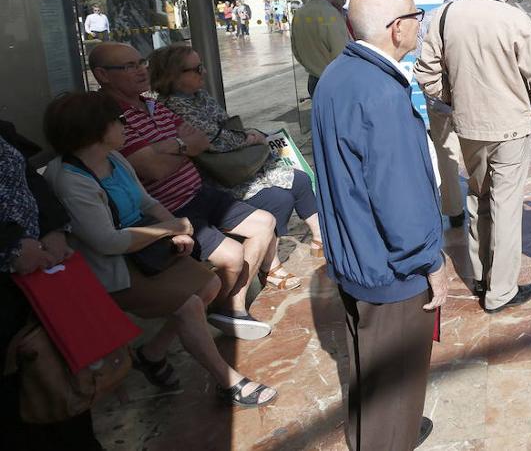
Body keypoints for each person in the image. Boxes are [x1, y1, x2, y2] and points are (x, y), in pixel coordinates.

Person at [41, 93, 277, 408]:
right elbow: (107, 242)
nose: (126, 126)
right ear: (95, 130)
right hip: (113, 269)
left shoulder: (113, 158)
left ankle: (152, 353)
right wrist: (170, 229)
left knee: (209, 284)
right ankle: (228, 381)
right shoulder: (71, 181)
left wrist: (178, 229)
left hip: (144, 249)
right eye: (119, 121)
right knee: (189, 305)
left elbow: (146, 202)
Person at [312, 0, 448, 451]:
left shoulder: (337, 75)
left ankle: (370, 436)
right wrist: (432, 263)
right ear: (396, 28)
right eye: (416, 15)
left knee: (367, 365)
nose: (419, 23)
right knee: (396, 382)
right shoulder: (382, 95)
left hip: (355, 257)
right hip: (389, 269)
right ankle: (388, 438)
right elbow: (401, 200)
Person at [90, 43, 278, 340]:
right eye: (128, 66)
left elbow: (200, 140)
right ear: (102, 75)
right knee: (232, 256)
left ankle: (233, 306)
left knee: (265, 223)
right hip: (168, 207)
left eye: (141, 62)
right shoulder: (109, 116)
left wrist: (167, 149)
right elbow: (152, 170)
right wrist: (181, 146)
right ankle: (181, 333)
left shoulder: (152, 103)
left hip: (199, 192)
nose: (141, 70)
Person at [416, 0, 531, 313]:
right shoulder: (514, 18)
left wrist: (450, 99)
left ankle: (480, 276)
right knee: (506, 206)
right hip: (509, 125)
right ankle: (501, 291)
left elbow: (426, 72)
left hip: (468, 125)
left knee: (478, 196)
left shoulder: (446, 16)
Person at [148, 44, 323, 261]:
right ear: (173, 75)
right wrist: (249, 138)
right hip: (220, 175)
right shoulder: (174, 106)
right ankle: (269, 265)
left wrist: (244, 135)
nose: (203, 72)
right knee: (278, 199)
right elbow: (213, 140)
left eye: (201, 66)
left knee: (300, 179)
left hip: (235, 164)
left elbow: (225, 127)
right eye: (196, 69)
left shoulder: (197, 96)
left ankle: (320, 239)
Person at [0, 120, 102, 449]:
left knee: (61, 368)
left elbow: (29, 178)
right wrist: (10, 247)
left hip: (38, 269)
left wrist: (52, 229)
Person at [416, 0, 471, 230]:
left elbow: (422, 62)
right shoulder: (475, 16)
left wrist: (439, 96)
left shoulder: (428, 18)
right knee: (477, 150)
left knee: (446, 154)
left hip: (439, 100)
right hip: (472, 96)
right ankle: (481, 203)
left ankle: (454, 210)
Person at [291, 0, 351, 98]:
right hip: (335, 82)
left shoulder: (300, 14)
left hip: (314, 80)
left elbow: (296, 51)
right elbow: (342, 54)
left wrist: (313, 67)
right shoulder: (330, 14)